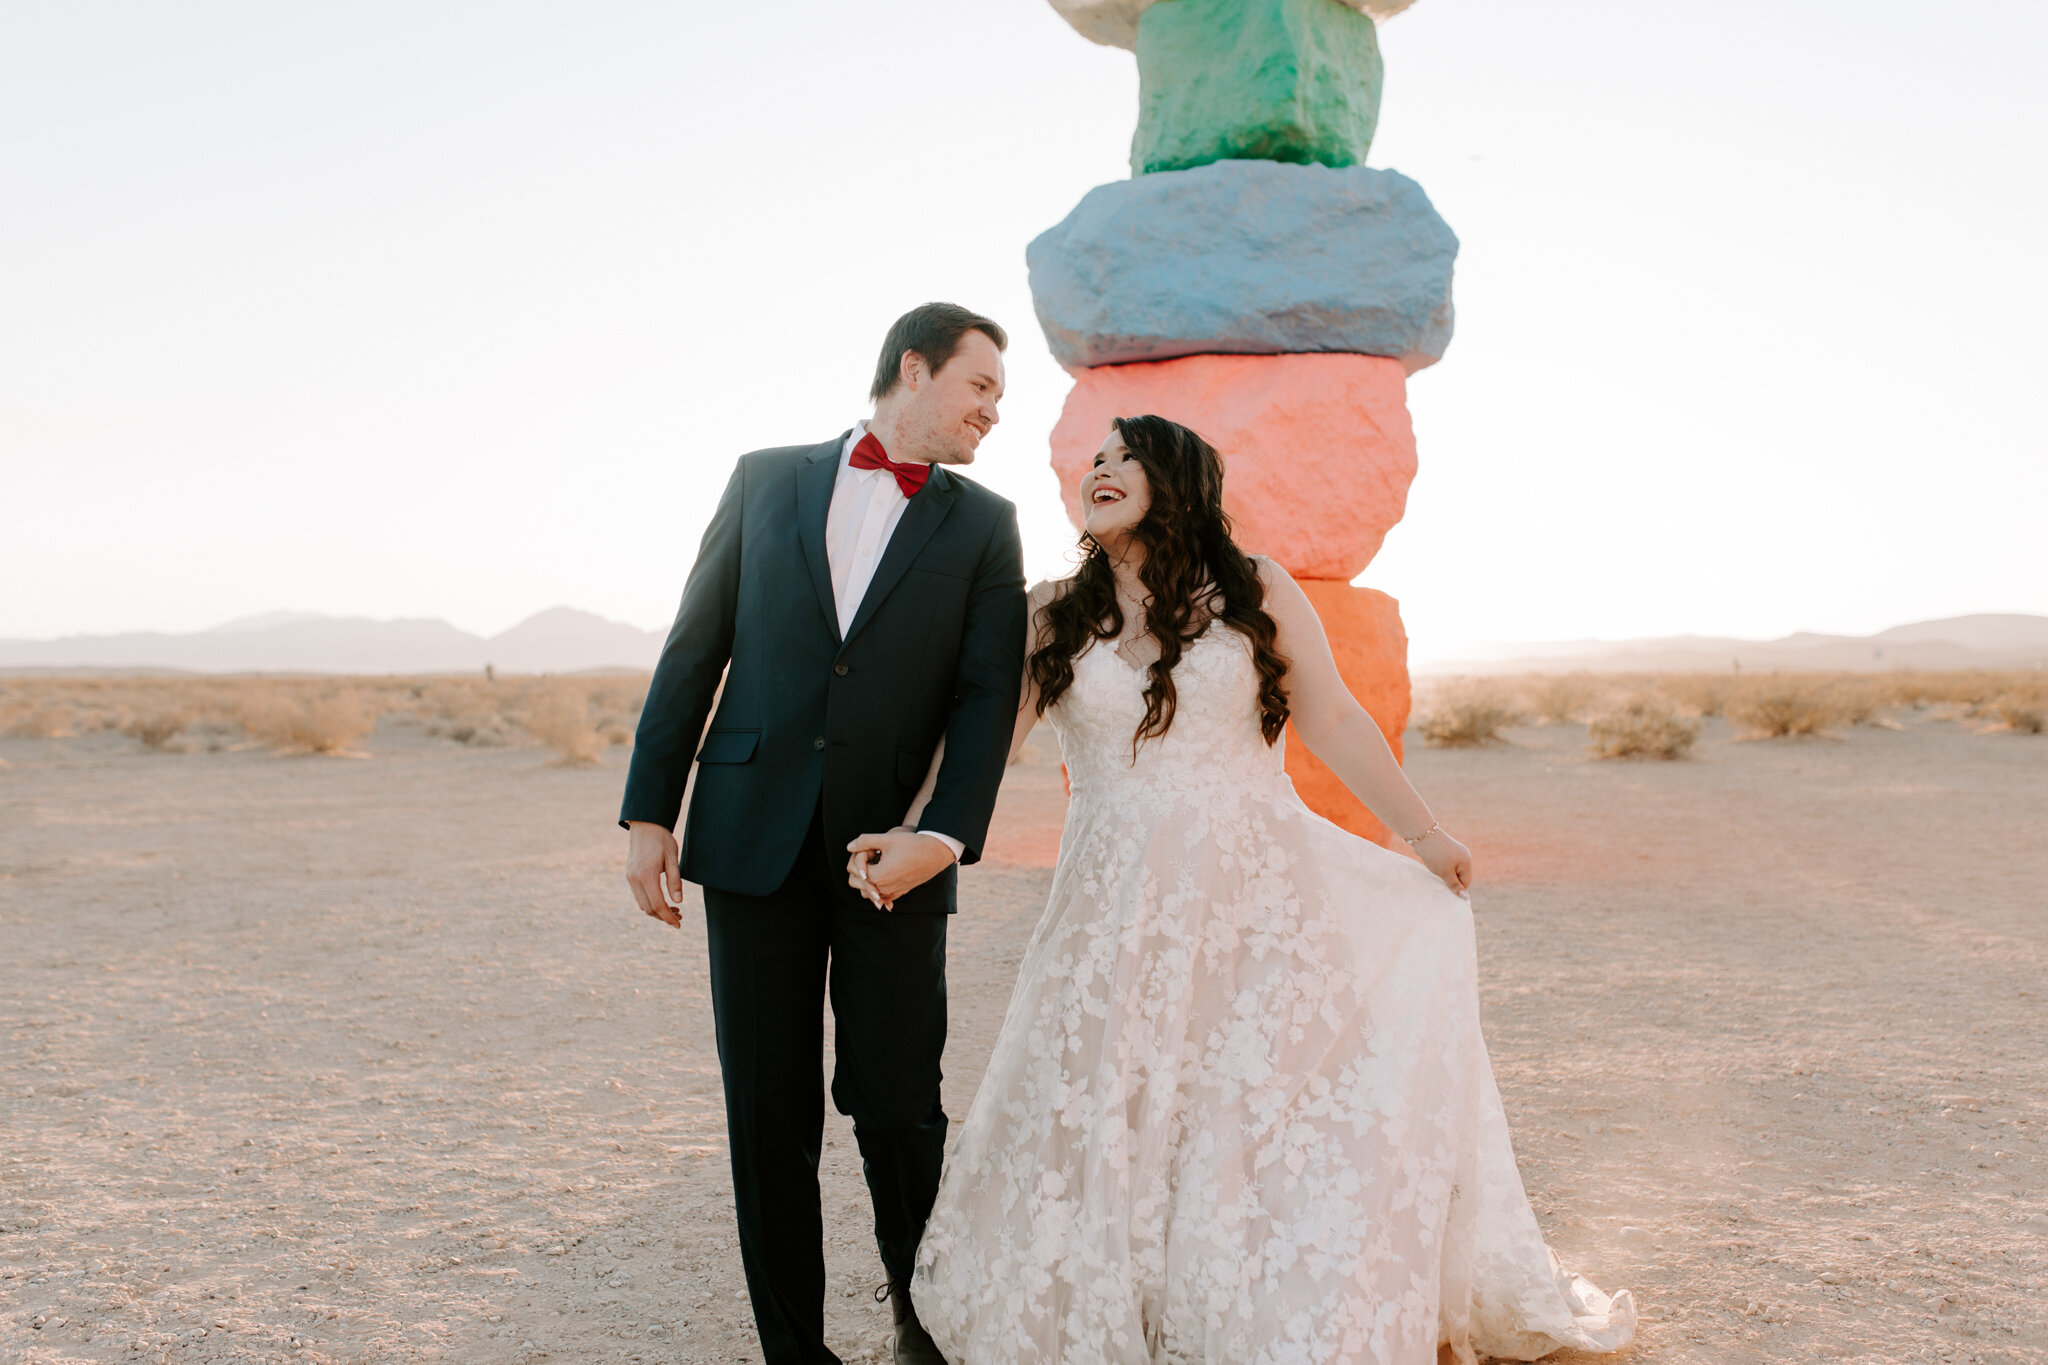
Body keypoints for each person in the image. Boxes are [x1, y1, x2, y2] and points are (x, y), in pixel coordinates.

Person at [901, 415, 1636, 1363]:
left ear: (1179, 481)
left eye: (1127, 456)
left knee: (1240, 1099)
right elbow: (984, 751)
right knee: (1110, 1098)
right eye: (1095, 459)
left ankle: (1238, 1293)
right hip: (1108, 909)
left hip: (1254, 888)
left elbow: (1330, 714)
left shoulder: (1257, 590)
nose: (1102, 470)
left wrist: (1423, 832)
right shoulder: (1050, 610)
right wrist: (921, 830)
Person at [620, 302, 1027, 1365]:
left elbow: (988, 699)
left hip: (891, 859)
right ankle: (793, 1354)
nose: (994, 410)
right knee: (767, 1112)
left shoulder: (985, 523)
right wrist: (647, 812)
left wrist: (942, 836)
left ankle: (923, 1339)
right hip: (747, 838)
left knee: (897, 1109)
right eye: (981, 385)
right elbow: (692, 647)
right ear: (914, 367)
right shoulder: (763, 480)